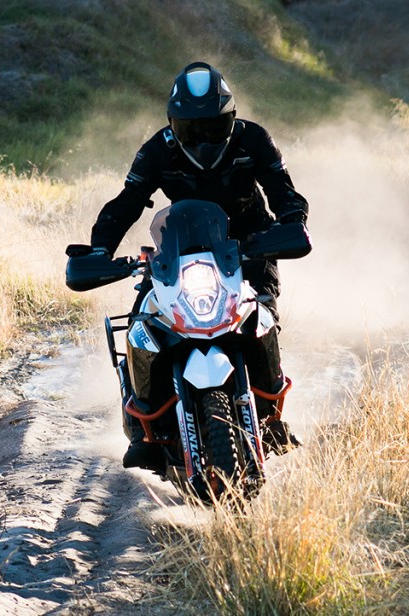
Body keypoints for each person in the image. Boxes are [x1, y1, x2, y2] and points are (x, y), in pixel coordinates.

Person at [87, 61, 309, 470]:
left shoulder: (254, 140)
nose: (203, 139)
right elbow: (125, 205)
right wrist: (100, 250)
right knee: (143, 323)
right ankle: (142, 428)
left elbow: (285, 194)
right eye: (191, 130)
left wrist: (291, 224)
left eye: (213, 127)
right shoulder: (156, 150)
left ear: (231, 119)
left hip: (249, 246)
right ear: (173, 124)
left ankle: (272, 418)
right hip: (182, 249)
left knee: (262, 317)